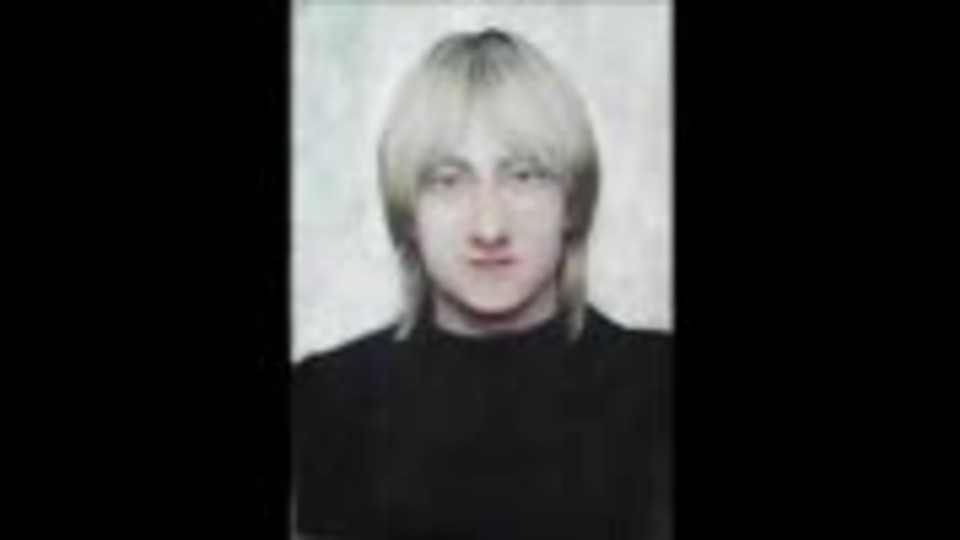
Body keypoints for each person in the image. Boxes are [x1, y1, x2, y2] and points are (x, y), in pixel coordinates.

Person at [292, 28, 672, 539]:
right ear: (408, 213)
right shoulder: (324, 402)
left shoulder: (658, 388)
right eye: (448, 180)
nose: (489, 228)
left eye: (524, 175)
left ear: (572, 203)